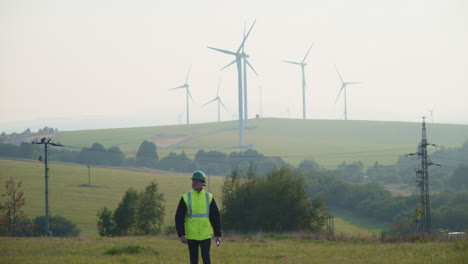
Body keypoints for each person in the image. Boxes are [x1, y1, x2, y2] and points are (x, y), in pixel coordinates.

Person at [175, 170, 221, 264]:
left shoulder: (209, 197)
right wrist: (181, 234)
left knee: (206, 259)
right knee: (193, 260)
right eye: (193, 181)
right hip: (191, 235)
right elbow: (179, 217)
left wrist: (217, 234)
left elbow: (215, 217)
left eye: (196, 181)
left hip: (205, 234)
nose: (194, 183)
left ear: (202, 183)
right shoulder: (185, 197)